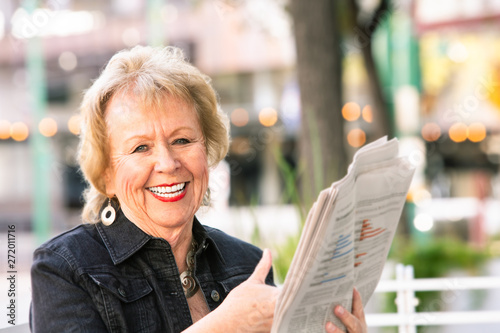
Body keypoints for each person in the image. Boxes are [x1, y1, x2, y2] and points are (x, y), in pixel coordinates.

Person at [29, 45, 367, 333]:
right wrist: (223, 326)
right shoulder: (64, 270)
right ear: (106, 176)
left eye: (182, 140)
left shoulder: (246, 264)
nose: (167, 163)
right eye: (140, 148)